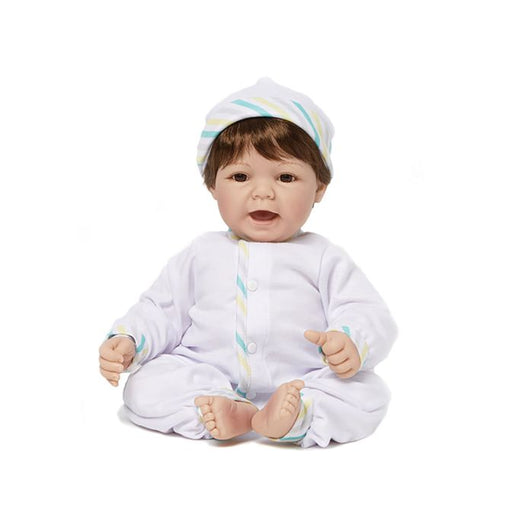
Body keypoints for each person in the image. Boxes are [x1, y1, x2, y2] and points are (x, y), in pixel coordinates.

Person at [98, 78, 398, 447]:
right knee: (143, 387)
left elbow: (366, 311)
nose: (263, 192)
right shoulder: (201, 253)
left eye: (286, 177)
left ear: (319, 187)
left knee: (367, 394)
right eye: (240, 176)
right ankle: (219, 409)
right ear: (212, 185)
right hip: (207, 372)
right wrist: (128, 340)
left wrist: (350, 340)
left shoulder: (323, 257)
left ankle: (297, 414)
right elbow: (161, 310)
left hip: (302, 379)